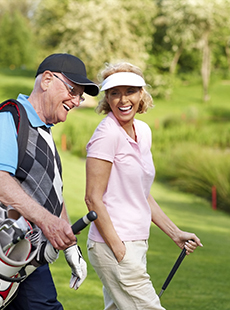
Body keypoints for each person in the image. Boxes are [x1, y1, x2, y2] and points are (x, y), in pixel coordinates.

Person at [0, 53, 99, 310]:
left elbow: (52, 193)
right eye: (73, 90)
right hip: (9, 252)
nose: (77, 101)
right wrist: (49, 223)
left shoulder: (42, 130)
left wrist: (69, 246)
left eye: (81, 95)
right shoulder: (9, 119)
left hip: (27, 255)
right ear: (46, 80)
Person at [84, 62, 203, 310]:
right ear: (107, 98)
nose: (122, 99)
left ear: (141, 95)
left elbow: (142, 194)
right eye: (114, 93)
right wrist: (119, 250)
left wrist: (175, 233)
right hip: (114, 244)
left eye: (130, 91)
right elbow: (92, 199)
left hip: (137, 242)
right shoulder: (107, 135)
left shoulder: (143, 131)